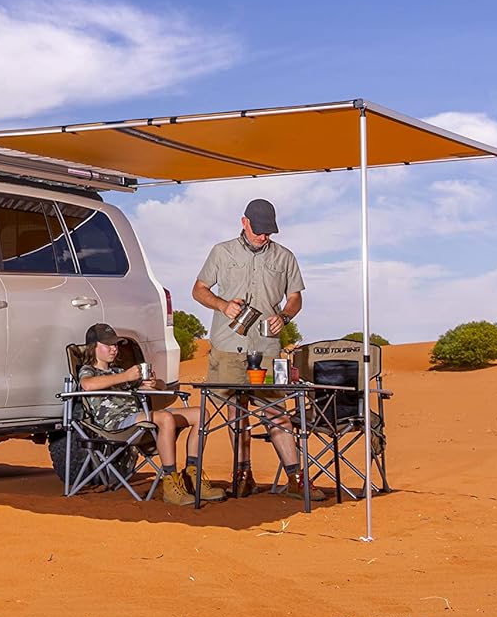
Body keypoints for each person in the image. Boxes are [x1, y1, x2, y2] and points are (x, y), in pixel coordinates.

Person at [191, 199, 322, 500]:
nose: (263, 237)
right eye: (258, 231)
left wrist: (285, 316)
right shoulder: (221, 252)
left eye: (268, 232)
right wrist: (222, 305)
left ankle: (296, 478)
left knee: (276, 411)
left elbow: (295, 297)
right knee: (234, 414)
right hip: (227, 346)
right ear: (244, 222)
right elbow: (198, 290)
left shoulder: (284, 256)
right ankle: (242, 475)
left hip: (266, 349)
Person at [77, 322, 226, 506]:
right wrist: (125, 377)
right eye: (108, 344)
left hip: (139, 416)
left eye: (115, 344)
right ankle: (170, 482)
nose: (113, 348)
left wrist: (154, 384)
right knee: (165, 418)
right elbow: (87, 385)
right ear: (93, 347)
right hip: (116, 424)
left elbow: (160, 386)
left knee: (200, 414)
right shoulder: (89, 370)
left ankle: (192, 476)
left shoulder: (118, 371)